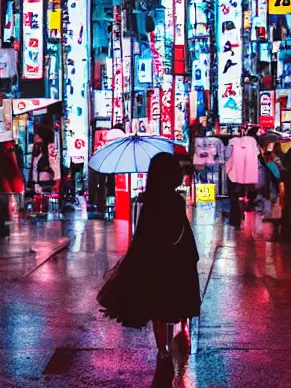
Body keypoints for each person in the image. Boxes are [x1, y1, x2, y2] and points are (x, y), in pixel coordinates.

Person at [98, 153, 201, 364]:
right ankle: (183, 330)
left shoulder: (148, 202)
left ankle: (162, 348)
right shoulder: (176, 201)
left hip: (154, 257)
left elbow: (142, 233)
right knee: (180, 297)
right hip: (177, 256)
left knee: (158, 306)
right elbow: (182, 231)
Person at [225, 129, 260, 228]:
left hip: (234, 175)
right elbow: (257, 157)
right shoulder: (253, 143)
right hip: (249, 176)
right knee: (247, 197)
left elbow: (227, 157)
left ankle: (235, 221)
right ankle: (245, 216)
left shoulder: (232, 143)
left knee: (234, 198)